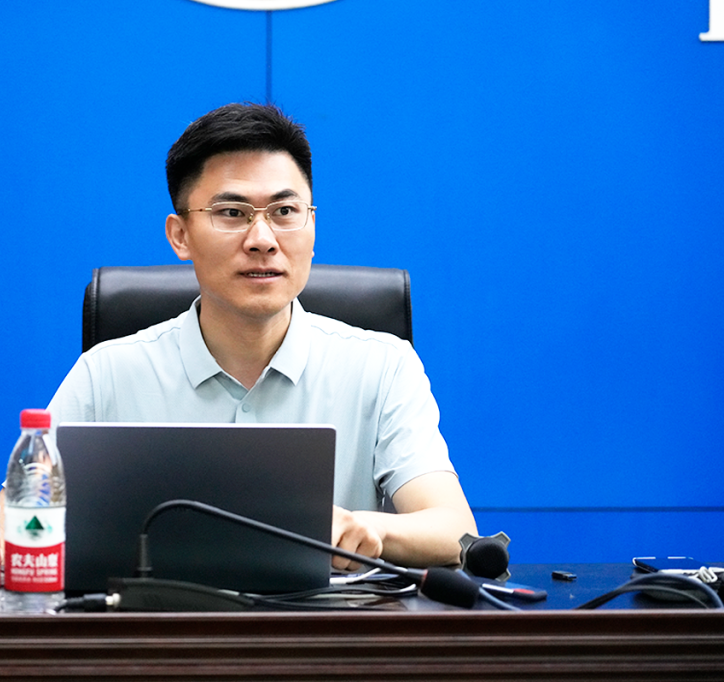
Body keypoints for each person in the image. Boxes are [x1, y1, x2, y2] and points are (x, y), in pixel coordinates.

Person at [47, 102, 477, 569]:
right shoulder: (105, 375)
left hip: (331, 616)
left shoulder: (384, 366)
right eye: (232, 212)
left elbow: (455, 533)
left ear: (312, 226)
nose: (262, 239)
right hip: (153, 616)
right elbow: (17, 517)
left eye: (285, 211)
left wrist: (366, 529)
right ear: (180, 235)